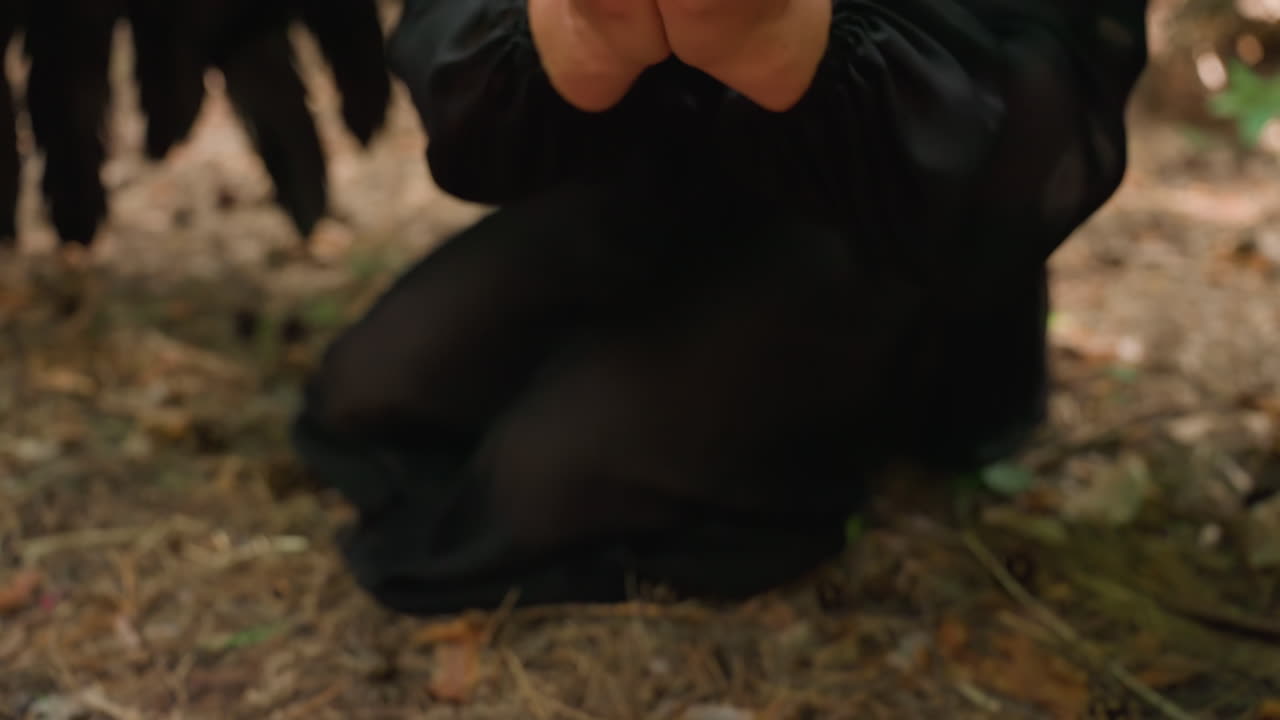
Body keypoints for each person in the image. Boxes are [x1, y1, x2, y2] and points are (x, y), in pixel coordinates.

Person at [293, 0, 1151, 616]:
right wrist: (571, 30)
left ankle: (899, 396)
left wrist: (785, 35)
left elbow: (1048, 114)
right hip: (651, 167)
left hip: (886, 213)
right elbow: (449, 52)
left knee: (546, 488)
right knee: (379, 393)